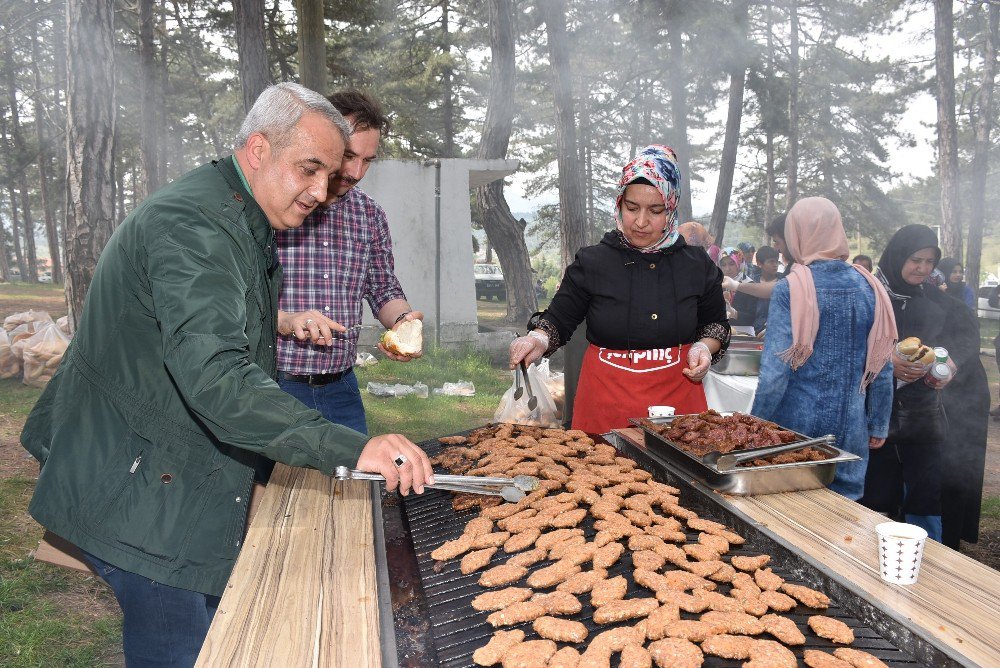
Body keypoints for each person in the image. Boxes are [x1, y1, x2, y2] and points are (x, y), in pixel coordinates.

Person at [19, 83, 434, 666]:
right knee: (182, 647)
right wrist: (353, 446)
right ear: (259, 149)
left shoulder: (238, 213)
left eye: (332, 172)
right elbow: (217, 379)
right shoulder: (196, 228)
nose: (322, 191)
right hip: (141, 489)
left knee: (215, 631)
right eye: (309, 170)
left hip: (167, 464)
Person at [508, 145, 730, 434]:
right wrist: (537, 339)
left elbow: (716, 325)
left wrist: (704, 347)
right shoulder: (594, 261)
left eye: (655, 210)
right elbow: (558, 320)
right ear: (619, 204)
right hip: (605, 404)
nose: (640, 222)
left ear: (671, 208)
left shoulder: (696, 264)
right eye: (632, 208)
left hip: (678, 408)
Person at [275, 90, 420, 435]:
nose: (356, 172)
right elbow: (236, 299)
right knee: (273, 488)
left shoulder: (370, 214)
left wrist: (402, 322)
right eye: (349, 155)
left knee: (352, 487)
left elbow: (383, 288)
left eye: (368, 160)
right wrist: (287, 320)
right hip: (275, 385)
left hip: (343, 390)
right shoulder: (276, 205)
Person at [750, 198, 895, 500]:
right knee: (844, 517)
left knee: (790, 513)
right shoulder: (871, 287)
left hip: (795, 429)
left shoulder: (791, 288)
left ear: (797, 235)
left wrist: (754, 427)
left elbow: (775, 372)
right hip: (851, 429)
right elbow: (881, 364)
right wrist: (878, 423)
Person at [861, 225, 978, 543]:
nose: (923, 268)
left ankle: (927, 564)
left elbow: (968, 335)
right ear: (898, 255)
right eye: (915, 259)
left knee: (925, 497)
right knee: (876, 494)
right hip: (873, 416)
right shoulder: (869, 295)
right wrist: (886, 363)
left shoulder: (937, 301)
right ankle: (867, 560)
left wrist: (950, 364)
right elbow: (845, 347)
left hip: (923, 417)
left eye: (929, 261)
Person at [724, 213, 790, 301]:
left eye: (732, 263)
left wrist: (736, 286)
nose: (751, 254)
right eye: (747, 251)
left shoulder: (749, 281)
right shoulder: (751, 280)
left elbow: (775, 290)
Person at [749, 245, 781, 334]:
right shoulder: (752, 283)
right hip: (753, 333)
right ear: (759, 263)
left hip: (777, 331)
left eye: (777, 261)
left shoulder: (784, 282)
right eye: (771, 262)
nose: (775, 265)